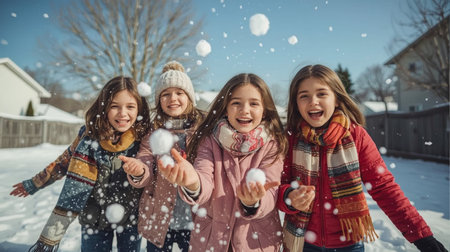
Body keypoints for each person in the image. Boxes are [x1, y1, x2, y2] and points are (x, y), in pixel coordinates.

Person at [277, 64, 447, 252]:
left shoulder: (356, 136)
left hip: (348, 244)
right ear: (296, 103)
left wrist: (422, 237)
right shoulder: (290, 140)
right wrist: (288, 197)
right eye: (304, 96)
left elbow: (384, 188)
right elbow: (276, 187)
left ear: (337, 99)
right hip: (302, 243)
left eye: (322, 94)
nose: (313, 101)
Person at [154, 73, 288, 251]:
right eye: (236, 103)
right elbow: (204, 179)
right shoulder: (209, 140)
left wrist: (253, 201)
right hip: (212, 240)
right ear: (225, 108)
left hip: (255, 242)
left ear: (265, 109)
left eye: (254, 103)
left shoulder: (273, 144)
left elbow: (271, 193)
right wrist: (192, 182)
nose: (244, 110)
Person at [28, 76, 151, 252]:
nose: (123, 113)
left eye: (130, 106)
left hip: (131, 217)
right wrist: (34, 183)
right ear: (104, 107)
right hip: (94, 218)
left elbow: (151, 170)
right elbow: (64, 162)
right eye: (115, 106)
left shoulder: (143, 139)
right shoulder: (89, 136)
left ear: (139, 109)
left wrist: (139, 171)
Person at [119, 61, 204, 251]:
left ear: (189, 97)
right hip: (159, 218)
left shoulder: (202, 132)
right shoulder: (153, 132)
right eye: (165, 94)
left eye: (179, 93)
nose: (172, 98)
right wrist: (139, 170)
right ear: (159, 101)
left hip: (195, 218)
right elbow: (145, 158)